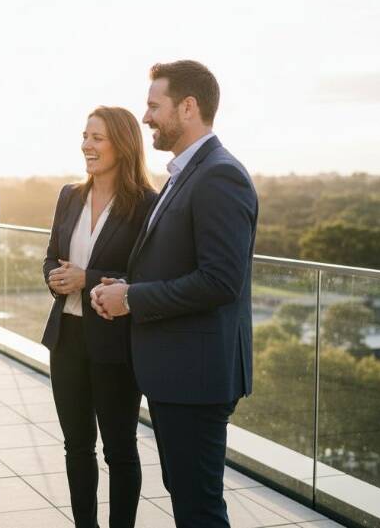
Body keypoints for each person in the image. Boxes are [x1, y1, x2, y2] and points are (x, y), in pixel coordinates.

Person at [92, 60, 258, 528]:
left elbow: (221, 281)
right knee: (188, 501)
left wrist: (134, 299)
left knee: (200, 509)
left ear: (188, 108)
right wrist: (121, 287)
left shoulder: (220, 176)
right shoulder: (185, 174)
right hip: (178, 373)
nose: (145, 117)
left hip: (198, 377)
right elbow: (173, 260)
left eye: (153, 106)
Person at [42, 106, 157, 528]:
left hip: (115, 342)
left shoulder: (146, 203)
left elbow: (147, 275)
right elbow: (51, 259)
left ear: (122, 144)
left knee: (120, 448)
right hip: (66, 338)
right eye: (85, 136)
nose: (87, 145)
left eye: (97, 138)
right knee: (76, 446)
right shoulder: (69, 196)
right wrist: (55, 279)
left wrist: (86, 279)